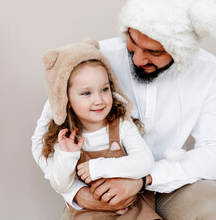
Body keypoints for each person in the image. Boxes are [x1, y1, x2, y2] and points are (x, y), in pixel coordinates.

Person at [32, 0, 216, 219]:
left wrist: (145, 179)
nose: (139, 59)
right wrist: (77, 194)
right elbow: (42, 138)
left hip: (170, 182)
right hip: (98, 191)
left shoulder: (207, 70)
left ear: (182, 50)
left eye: (155, 52)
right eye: (133, 41)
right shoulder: (95, 60)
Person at [39, 38, 161, 219]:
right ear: (67, 100)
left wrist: (98, 167)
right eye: (86, 93)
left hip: (131, 207)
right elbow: (61, 185)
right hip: (90, 212)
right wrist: (67, 156)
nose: (99, 100)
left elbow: (144, 162)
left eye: (104, 89)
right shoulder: (66, 139)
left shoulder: (122, 125)